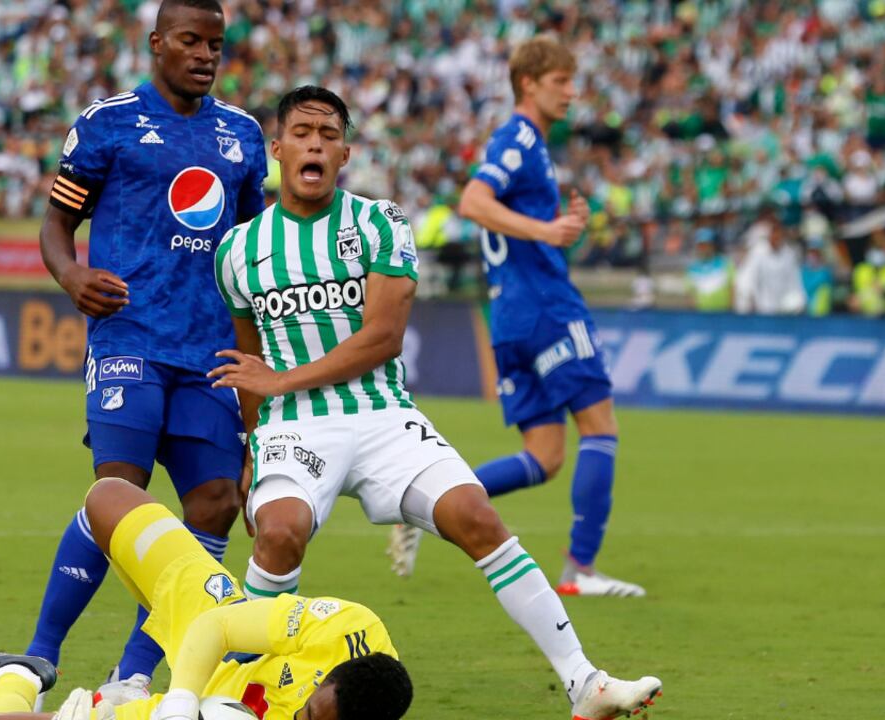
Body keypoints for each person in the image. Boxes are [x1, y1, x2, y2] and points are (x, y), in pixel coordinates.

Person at [210, 85, 661, 720]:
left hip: (382, 415)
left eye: (329, 134)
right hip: (295, 428)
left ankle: (584, 683)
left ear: (345, 152)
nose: (316, 142)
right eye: (303, 132)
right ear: (277, 148)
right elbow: (249, 363)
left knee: (477, 516)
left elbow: (383, 337)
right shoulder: (237, 251)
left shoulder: (379, 223)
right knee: (279, 534)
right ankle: (233, 698)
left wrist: (281, 380)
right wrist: (253, 449)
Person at [29, 0, 268, 703]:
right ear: (158, 43)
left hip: (211, 351)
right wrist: (71, 274)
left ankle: (135, 671)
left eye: (216, 44)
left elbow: (253, 251)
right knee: (120, 497)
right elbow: (56, 221)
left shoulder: (243, 138)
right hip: (131, 337)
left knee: (216, 503)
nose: (205, 54)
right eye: (191, 41)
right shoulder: (107, 124)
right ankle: (41, 656)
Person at [0, 478, 414, 720]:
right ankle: (52, 653)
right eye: (308, 712)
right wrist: (180, 700)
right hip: (215, 633)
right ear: (329, 677)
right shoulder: (350, 627)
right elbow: (217, 630)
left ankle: (19, 675)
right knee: (109, 499)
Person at [454, 37, 645, 597]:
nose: (572, 91)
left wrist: (560, 224)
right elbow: (473, 202)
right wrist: (547, 231)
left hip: (510, 312)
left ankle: (431, 503)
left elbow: (507, 212)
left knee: (545, 454)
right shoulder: (519, 136)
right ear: (530, 83)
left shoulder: (531, 144)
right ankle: (581, 570)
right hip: (544, 305)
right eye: (562, 81)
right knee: (600, 425)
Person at [686, 227, 733, 312]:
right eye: (701, 245)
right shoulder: (692, 268)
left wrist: (730, 311)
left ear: (713, 246)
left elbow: (732, 288)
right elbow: (691, 294)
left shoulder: (725, 263)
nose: (704, 248)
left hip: (723, 312)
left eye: (707, 245)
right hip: (702, 314)